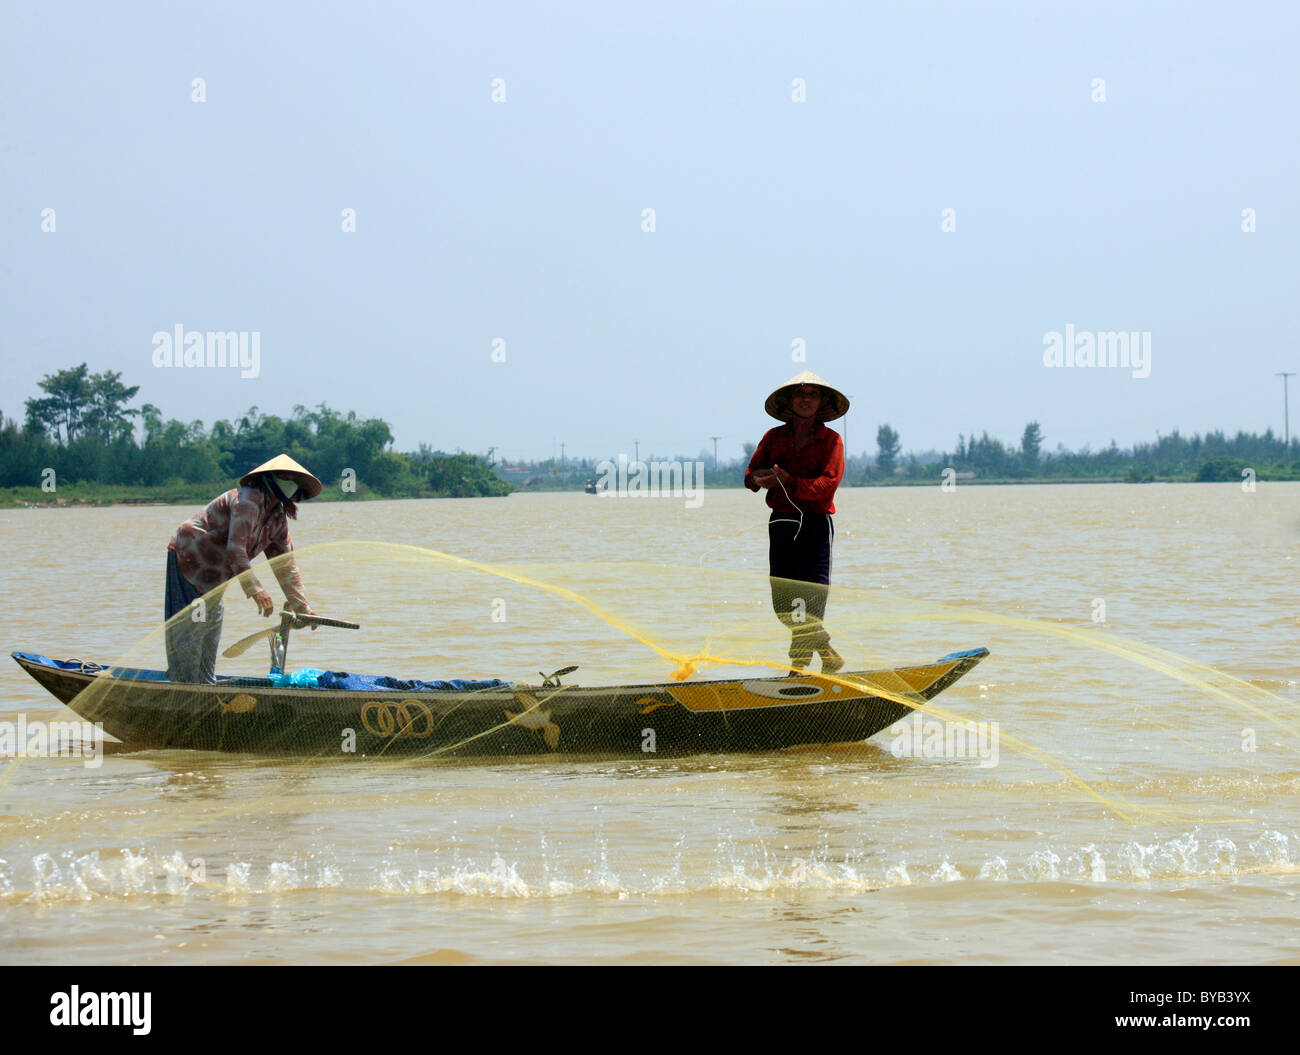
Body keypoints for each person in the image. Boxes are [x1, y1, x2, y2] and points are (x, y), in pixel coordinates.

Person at [164, 454, 320, 682]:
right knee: (191, 630)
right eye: (284, 477)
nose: (290, 483)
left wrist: (302, 608)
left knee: (210, 630)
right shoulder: (248, 500)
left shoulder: (277, 518)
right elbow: (236, 550)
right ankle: (182, 684)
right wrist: (256, 590)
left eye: (293, 480)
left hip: (217, 575)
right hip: (190, 558)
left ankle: (205, 686)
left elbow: (286, 566)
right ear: (270, 479)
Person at [744, 371, 848, 675]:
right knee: (784, 603)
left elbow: (827, 485)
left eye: (812, 394)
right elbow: (751, 474)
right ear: (790, 401)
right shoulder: (773, 437)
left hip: (814, 524)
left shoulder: (831, 441)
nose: (805, 399)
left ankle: (798, 669)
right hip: (782, 524)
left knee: (811, 599)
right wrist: (759, 479)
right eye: (799, 394)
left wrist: (791, 482)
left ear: (822, 402)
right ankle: (827, 653)